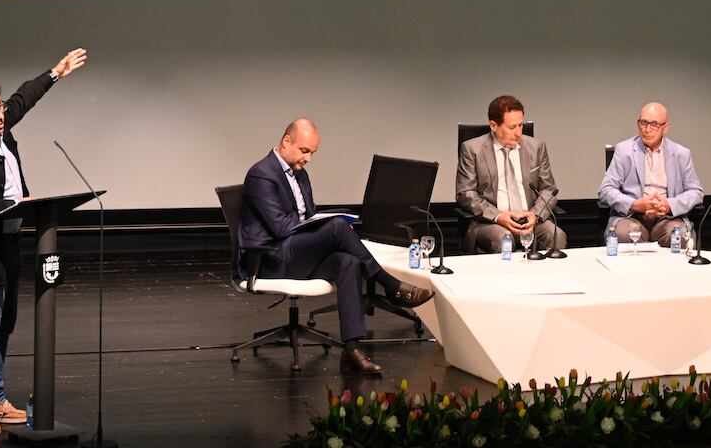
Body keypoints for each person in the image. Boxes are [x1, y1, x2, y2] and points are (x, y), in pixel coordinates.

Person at [0, 47, 88, 437]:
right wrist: (13, 203)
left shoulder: (1, 127)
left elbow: (24, 98)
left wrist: (56, 73)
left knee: (4, 325)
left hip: (9, 244)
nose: (0, 114)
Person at [238, 118, 434, 375]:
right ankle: (391, 285)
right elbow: (280, 228)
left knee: (348, 261)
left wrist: (328, 229)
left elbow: (307, 216)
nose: (308, 159)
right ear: (286, 141)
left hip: (297, 253)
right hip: (271, 258)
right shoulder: (261, 174)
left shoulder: (300, 174)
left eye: (312, 153)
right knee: (336, 228)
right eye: (304, 151)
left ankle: (352, 349)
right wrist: (329, 229)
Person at [455, 95, 567, 254]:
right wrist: (498, 216)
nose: (518, 133)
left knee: (557, 236)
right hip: (490, 223)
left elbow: (549, 190)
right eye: (512, 127)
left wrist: (535, 215)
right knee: (503, 239)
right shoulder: (473, 149)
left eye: (520, 126)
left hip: (530, 221)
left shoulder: (536, 147)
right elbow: (465, 194)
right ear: (493, 125)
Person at [598, 101, 704, 244]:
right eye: (643, 123)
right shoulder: (624, 150)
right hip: (632, 217)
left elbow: (696, 192)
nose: (647, 129)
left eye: (654, 124)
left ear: (665, 127)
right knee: (622, 234)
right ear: (638, 124)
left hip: (667, 218)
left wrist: (669, 205)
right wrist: (633, 204)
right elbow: (605, 190)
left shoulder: (681, 154)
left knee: (679, 236)